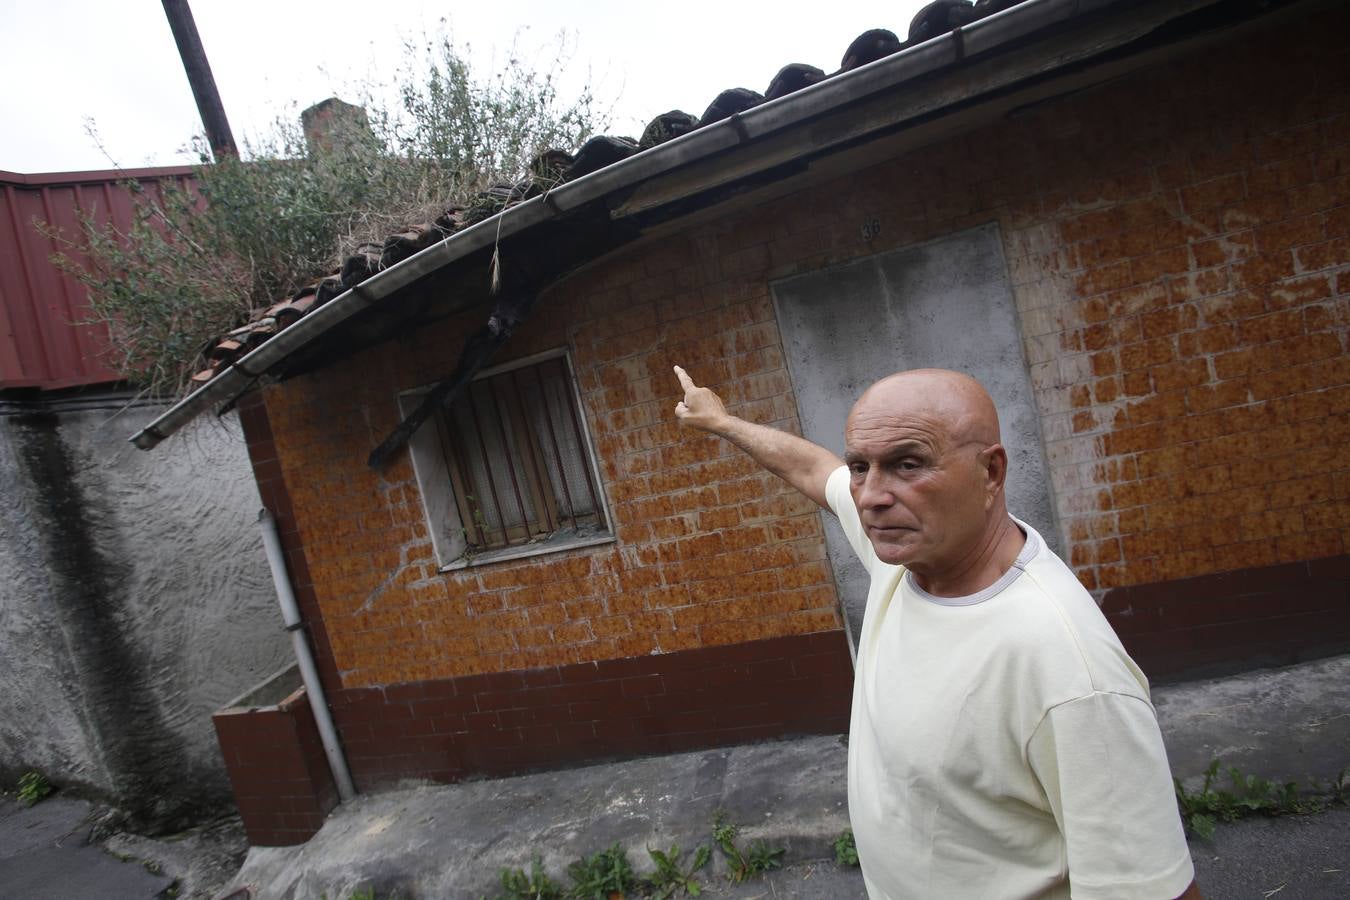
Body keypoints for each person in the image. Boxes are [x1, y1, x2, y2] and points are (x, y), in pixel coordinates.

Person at [673, 365, 1199, 900]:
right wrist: (722, 422)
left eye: (908, 464)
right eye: (862, 466)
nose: (871, 496)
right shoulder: (904, 555)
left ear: (991, 473)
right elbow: (813, 468)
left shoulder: (1068, 668)